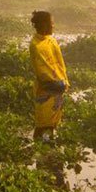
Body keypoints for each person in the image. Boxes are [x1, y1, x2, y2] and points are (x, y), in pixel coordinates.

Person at [29, 10, 69, 141]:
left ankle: (47, 152)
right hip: (46, 88)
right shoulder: (36, 45)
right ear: (44, 24)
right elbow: (42, 69)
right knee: (43, 123)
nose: (53, 26)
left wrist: (63, 81)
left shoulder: (51, 40)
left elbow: (59, 63)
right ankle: (41, 152)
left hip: (57, 86)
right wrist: (56, 83)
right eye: (51, 23)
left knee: (52, 123)